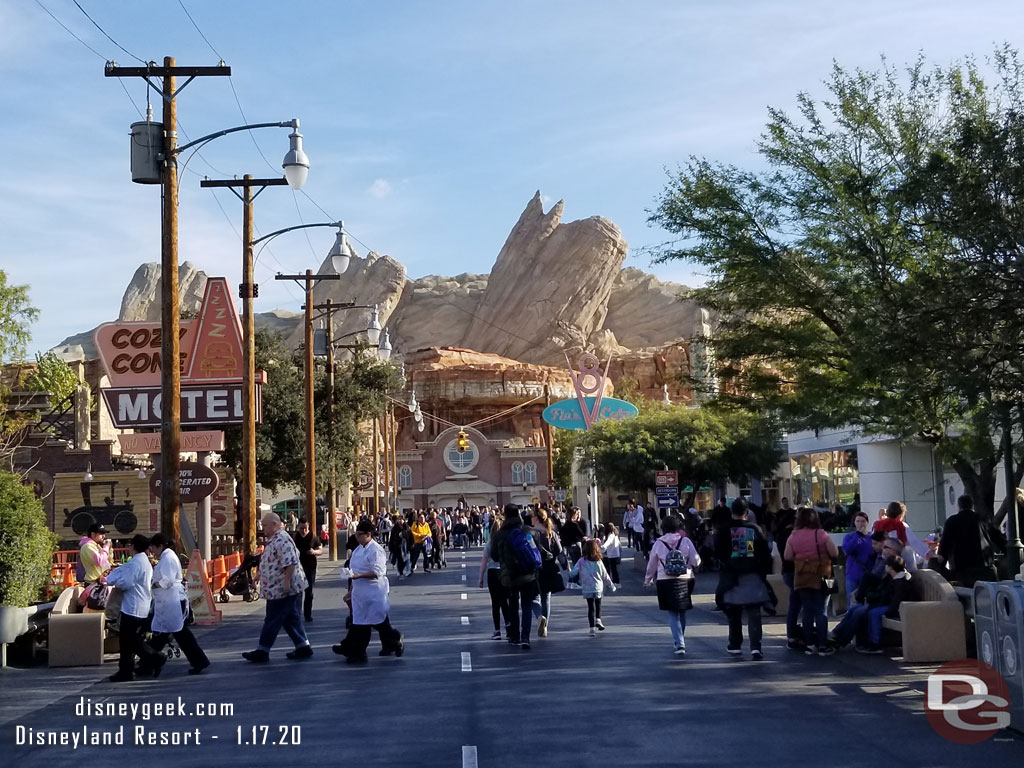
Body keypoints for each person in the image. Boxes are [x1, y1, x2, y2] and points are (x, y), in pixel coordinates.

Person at [243, 513, 312, 663]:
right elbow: (269, 560)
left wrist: (286, 582)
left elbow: (291, 562)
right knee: (290, 617)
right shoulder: (273, 540)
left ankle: (262, 650)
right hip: (276, 586)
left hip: (281, 587)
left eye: (265, 525)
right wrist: (259, 575)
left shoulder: (282, 539)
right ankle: (303, 646)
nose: (263, 528)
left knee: (273, 618)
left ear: (274, 524)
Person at [333, 520, 404, 663]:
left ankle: (389, 641)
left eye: (360, 535)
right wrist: (351, 589)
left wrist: (359, 576)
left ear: (368, 534)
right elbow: (354, 571)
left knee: (373, 621)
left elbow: (378, 571)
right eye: (356, 534)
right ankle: (355, 649)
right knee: (360, 622)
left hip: (373, 592)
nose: (357, 537)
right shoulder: (358, 549)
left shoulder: (376, 550)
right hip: (360, 593)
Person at [716, 498, 773, 660]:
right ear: (747, 513)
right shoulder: (755, 529)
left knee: (734, 612)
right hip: (752, 576)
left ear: (731, 512)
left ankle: (735, 644)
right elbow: (765, 554)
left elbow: (718, 553)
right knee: (754, 612)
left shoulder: (724, 530)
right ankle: (756, 646)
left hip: (731, 577)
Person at [147, 532, 210, 675]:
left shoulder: (168, 559)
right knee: (169, 634)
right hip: (170, 601)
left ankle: (149, 661)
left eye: (154, 549)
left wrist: (155, 584)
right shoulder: (168, 557)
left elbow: (167, 581)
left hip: (172, 601)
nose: (153, 553)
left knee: (175, 634)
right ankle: (148, 661)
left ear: (160, 546)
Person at [105, 534, 164, 682]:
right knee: (129, 641)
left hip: (132, 606)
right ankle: (126, 670)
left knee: (129, 641)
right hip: (142, 604)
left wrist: (115, 582)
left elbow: (126, 583)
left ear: (133, 546)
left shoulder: (135, 563)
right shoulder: (144, 561)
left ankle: (154, 657)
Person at [830, 554, 914, 653]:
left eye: (886, 565)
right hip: (884, 604)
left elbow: (896, 600)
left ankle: (872, 642)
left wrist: (885, 610)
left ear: (890, 567)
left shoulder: (900, 582)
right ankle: (837, 633)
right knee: (854, 609)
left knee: (866, 613)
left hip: (896, 608)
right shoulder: (890, 578)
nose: (885, 566)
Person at [784, 506, 839, 657]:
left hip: (802, 576)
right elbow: (834, 552)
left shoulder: (793, 536)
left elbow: (787, 556)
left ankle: (809, 645)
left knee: (807, 611)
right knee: (821, 611)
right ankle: (822, 645)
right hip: (821, 576)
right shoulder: (821, 534)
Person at [645, 516, 700, 655]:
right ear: (678, 527)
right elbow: (696, 561)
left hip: (665, 579)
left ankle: (679, 642)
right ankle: (680, 637)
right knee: (682, 610)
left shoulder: (659, 543)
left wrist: (648, 579)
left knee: (672, 612)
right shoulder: (685, 541)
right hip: (685, 579)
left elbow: (652, 563)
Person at [492, 505, 540, 650]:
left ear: (505, 515)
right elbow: (536, 550)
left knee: (513, 605)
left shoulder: (500, 534)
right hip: (528, 574)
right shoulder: (527, 531)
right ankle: (526, 637)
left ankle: (515, 636)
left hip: (510, 575)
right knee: (526, 605)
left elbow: (494, 555)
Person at [935, 494, 1000, 586]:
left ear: (959, 506)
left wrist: (941, 563)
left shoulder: (952, 521)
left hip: (962, 570)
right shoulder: (983, 519)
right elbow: (998, 538)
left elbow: (945, 546)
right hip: (984, 568)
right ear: (972, 505)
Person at [569, 539, 617, 636]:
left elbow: (573, 573)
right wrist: (611, 586)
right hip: (598, 586)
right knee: (598, 604)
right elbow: (605, 575)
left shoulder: (581, 561)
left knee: (591, 607)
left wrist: (569, 571)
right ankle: (598, 619)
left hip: (587, 587)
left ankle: (592, 629)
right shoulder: (598, 561)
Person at [529, 507, 563, 638]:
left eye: (532, 516)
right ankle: (545, 626)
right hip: (549, 568)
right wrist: (567, 567)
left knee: (533, 598)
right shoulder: (551, 533)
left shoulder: (530, 533)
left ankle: (539, 617)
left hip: (534, 569)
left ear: (536, 518)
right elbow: (559, 553)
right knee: (546, 598)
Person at [478, 516, 510, 640]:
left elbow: (484, 562)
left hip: (492, 573)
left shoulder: (489, 545)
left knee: (495, 603)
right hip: (504, 572)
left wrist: (480, 578)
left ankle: (497, 630)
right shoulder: (506, 543)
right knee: (505, 601)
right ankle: (508, 627)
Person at [292, 518, 322, 622]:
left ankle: (307, 614)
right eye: (301, 528)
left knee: (309, 592)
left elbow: (320, 550)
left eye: (305, 528)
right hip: (298, 567)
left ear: (308, 527)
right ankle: (297, 614)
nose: (303, 530)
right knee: (298, 592)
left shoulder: (313, 537)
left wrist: (314, 551)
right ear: (298, 527)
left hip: (310, 567)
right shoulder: (295, 536)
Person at [842, 511, 874, 604]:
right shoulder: (849, 536)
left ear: (867, 522)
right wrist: (857, 535)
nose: (861, 524)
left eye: (863, 521)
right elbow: (848, 550)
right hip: (853, 574)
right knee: (853, 602)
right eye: (858, 521)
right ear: (854, 523)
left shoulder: (871, 537)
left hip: (868, 574)